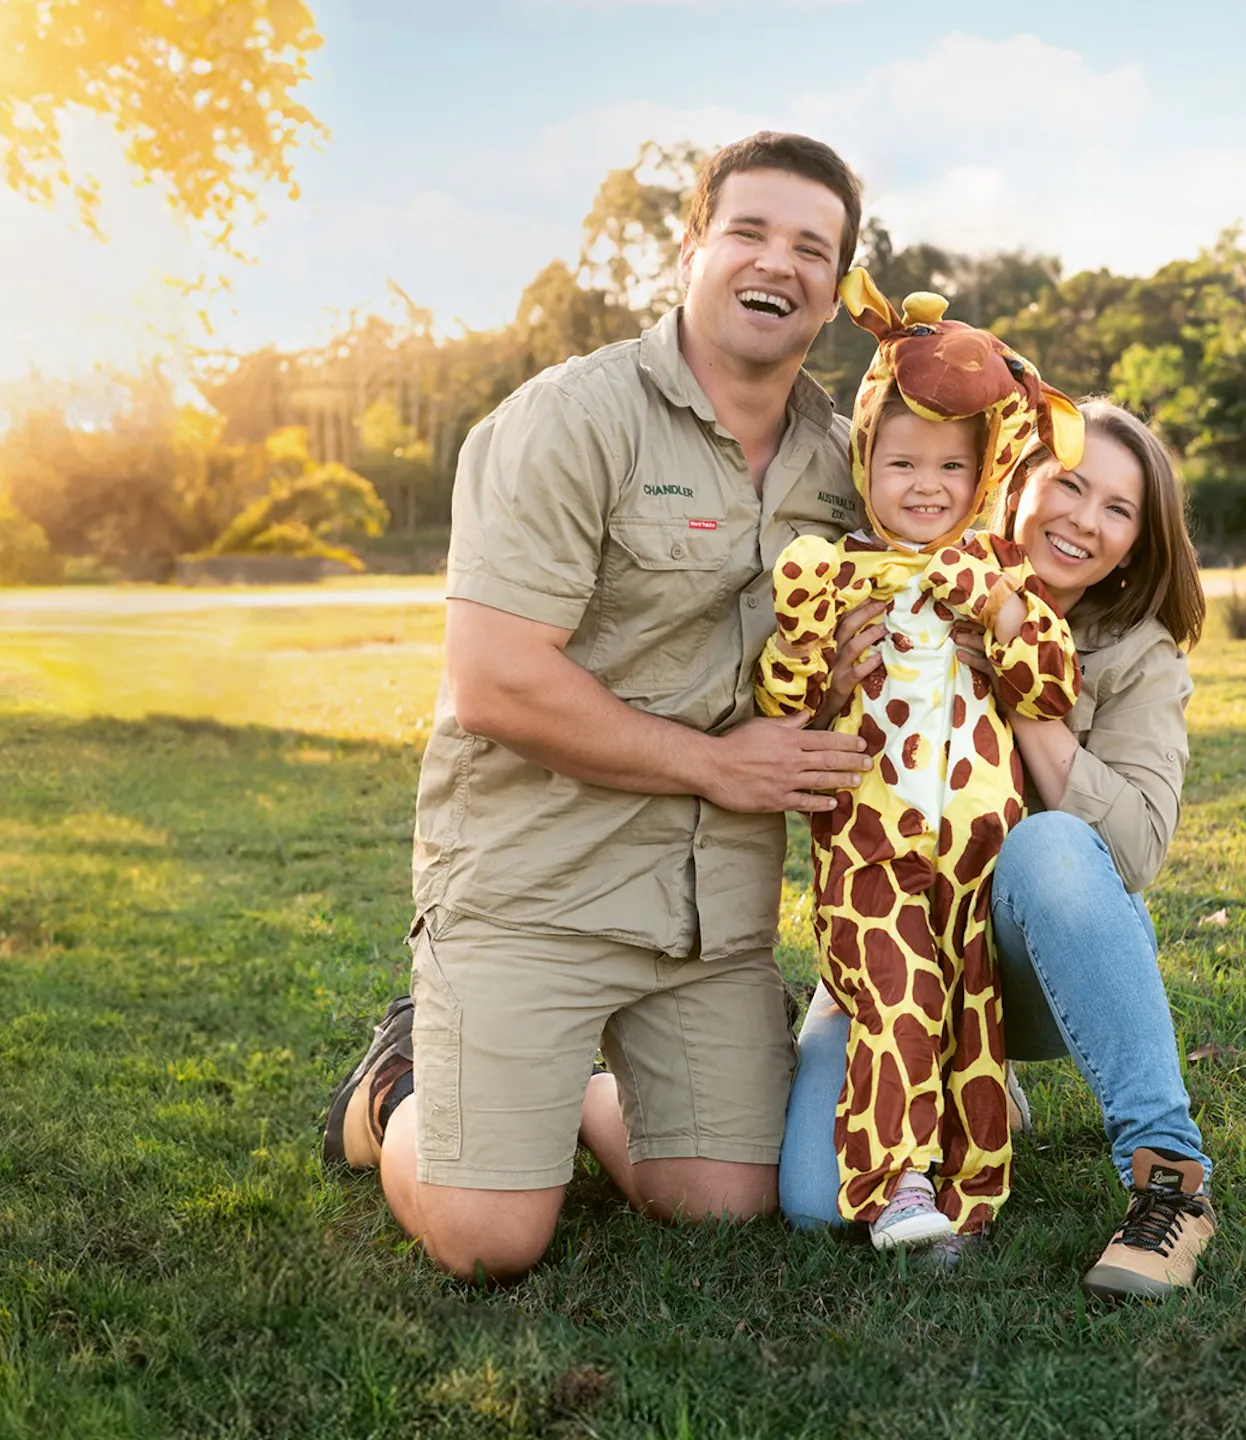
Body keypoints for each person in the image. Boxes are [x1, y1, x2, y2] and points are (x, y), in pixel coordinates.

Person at [320, 132, 874, 1282]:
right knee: (490, 1242)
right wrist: (722, 767)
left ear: (836, 289)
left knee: (724, 1206)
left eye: (812, 248)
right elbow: (497, 681)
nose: (779, 262)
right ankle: (402, 1081)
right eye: (751, 231)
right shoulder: (566, 420)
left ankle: (551, 1088)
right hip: (536, 885)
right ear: (693, 247)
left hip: (706, 915)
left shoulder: (841, 461)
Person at [779, 397, 1217, 1299]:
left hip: (1032, 960)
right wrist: (826, 701)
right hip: (892, 942)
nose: (1084, 521)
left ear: (1136, 543)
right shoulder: (905, 579)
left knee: (1051, 847)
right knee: (817, 1203)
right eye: (1070, 485)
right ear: (1014, 479)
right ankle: (945, 1089)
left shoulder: (1139, 655)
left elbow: (1130, 851)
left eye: (1119, 511)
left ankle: (1169, 1182)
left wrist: (1027, 698)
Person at [755, 271, 1084, 1248]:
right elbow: (781, 700)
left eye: (950, 466)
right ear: (867, 459)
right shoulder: (835, 569)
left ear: (980, 475)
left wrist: (1000, 610)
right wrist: (817, 653)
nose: (928, 486)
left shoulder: (1001, 572)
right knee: (904, 998)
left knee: (968, 1014)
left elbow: (1050, 686)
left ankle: (971, 1198)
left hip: (974, 852)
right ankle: (899, 1183)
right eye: (903, 463)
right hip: (871, 850)